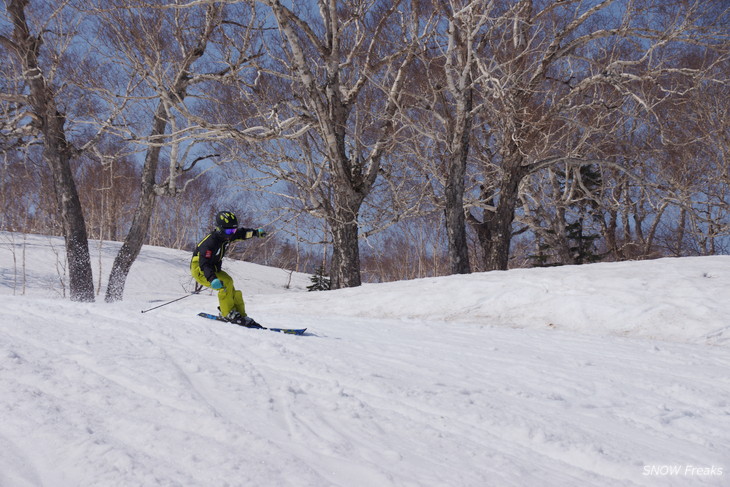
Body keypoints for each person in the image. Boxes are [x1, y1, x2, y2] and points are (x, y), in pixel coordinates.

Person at [191, 210, 267, 326]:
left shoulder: (226, 236)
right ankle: (227, 314)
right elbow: (204, 264)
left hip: (213, 269)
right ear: (220, 229)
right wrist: (212, 279)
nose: (232, 233)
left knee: (229, 282)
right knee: (225, 284)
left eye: (233, 230)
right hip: (200, 270)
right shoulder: (210, 243)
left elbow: (242, 233)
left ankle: (239, 314)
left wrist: (256, 232)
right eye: (229, 230)